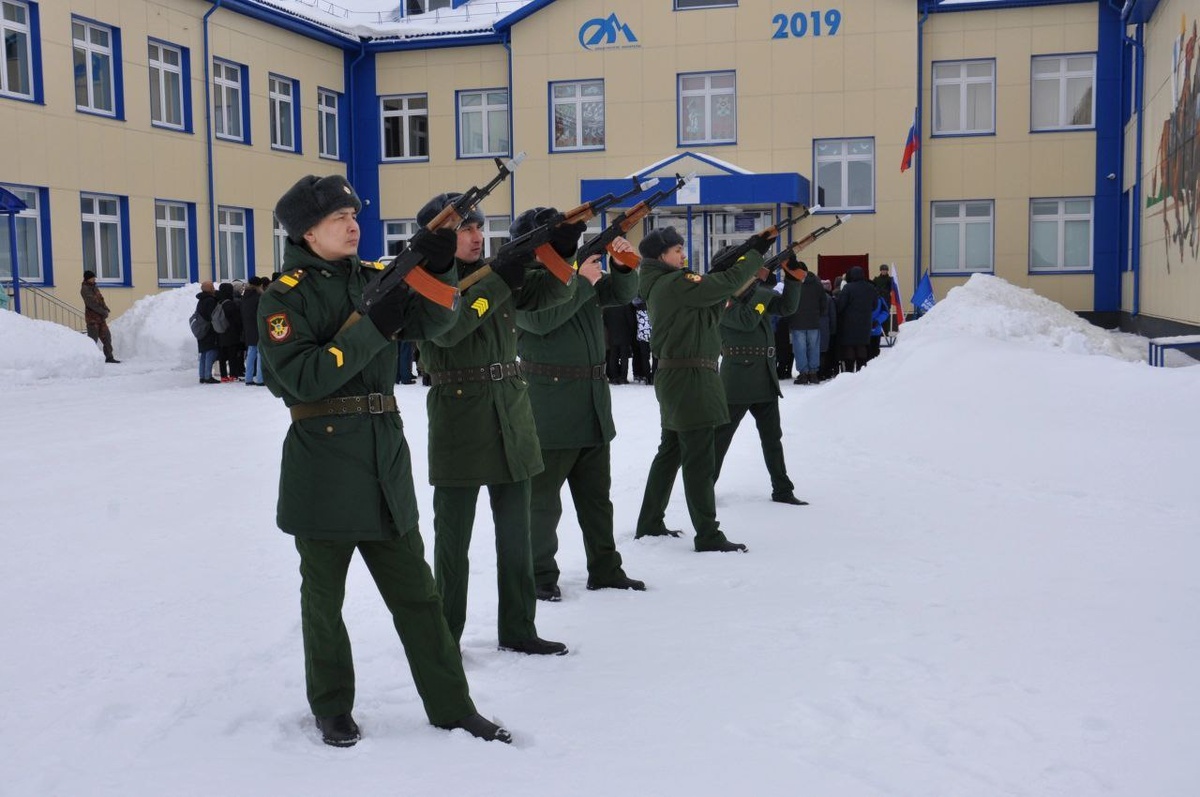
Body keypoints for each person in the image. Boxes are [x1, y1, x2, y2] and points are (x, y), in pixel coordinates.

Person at [258, 173, 510, 748]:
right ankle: (332, 706)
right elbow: (301, 378)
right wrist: (372, 325)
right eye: (337, 220)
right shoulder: (284, 297)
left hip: (383, 462)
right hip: (322, 464)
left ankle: (453, 706)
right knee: (324, 603)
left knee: (420, 598)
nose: (352, 226)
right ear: (306, 233)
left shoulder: (377, 277)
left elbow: (439, 324)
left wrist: (440, 265)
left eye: (354, 216)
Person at [418, 196, 578, 655]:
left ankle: (519, 627)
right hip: (459, 412)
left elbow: (551, 293)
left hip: (511, 408)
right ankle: (446, 637)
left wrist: (561, 252)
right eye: (463, 229)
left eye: (477, 227)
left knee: (516, 534)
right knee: (454, 541)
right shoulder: (425, 281)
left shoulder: (495, 271)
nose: (474, 236)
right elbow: (448, 328)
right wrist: (498, 281)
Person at [514, 222, 646, 602]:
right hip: (549, 405)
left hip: (590, 401)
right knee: (542, 502)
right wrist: (581, 281)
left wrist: (622, 266)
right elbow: (540, 322)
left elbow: (621, 294)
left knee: (597, 499)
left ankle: (605, 568)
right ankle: (539, 574)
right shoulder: (522, 281)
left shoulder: (573, 274)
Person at [633, 226, 766, 553]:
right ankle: (707, 533)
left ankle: (650, 521)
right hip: (690, 378)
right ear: (661, 256)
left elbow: (717, 298)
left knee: (671, 452)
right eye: (677, 250)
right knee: (699, 459)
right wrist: (753, 254)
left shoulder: (665, 284)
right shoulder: (675, 283)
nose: (683, 255)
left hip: (679, 376)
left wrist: (745, 277)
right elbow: (724, 284)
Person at [713, 250, 807, 505]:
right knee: (720, 440)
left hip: (764, 376)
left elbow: (787, 307)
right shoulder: (720, 299)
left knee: (772, 438)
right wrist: (761, 284)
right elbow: (746, 321)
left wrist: (793, 279)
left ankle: (782, 489)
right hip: (737, 381)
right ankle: (703, 487)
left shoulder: (754, 294)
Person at [834, 265, 879, 373]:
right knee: (861, 346)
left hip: (849, 324)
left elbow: (841, 306)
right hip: (865, 323)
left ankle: (849, 371)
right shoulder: (870, 288)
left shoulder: (848, 288)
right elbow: (875, 305)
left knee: (850, 346)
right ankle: (861, 370)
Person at [786, 261, 824, 384]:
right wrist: (819, 315)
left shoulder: (793, 284)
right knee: (813, 347)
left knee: (800, 348)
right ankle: (813, 373)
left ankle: (803, 374)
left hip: (797, 322)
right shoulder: (817, 283)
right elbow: (824, 302)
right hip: (814, 321)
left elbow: (788, 303)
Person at [80, 270, 119, 363]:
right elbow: (92, 304)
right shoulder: (85, 289)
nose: (94, 279)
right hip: (92, 319)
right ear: (87, 278)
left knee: (107, 337)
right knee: (92, 340)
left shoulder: (94, 287)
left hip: (101, 318)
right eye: (92, 278)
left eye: (94, 278)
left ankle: (109, 357)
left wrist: (106, 308)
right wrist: (103, 312)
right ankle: (89, 359)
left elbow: (100, 299)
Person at [240, 277, 265, 386]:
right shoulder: (259, 297)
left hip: (248, 328)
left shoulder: (245, 297)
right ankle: (260, 379)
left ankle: (248, 378)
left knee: (251, 353)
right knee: (260, 354)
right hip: (259, 328)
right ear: (260, 285)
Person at [194, 281, 219, 383]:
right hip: (209, 330)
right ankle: (208, 376)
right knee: (210, 352)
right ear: (210, 289)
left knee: (204, 353)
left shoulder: (200, 300)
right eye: (212, 287)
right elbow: (213, 316)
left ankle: (202, 375)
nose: (214, 288)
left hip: (201, 329)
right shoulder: (210, 300)